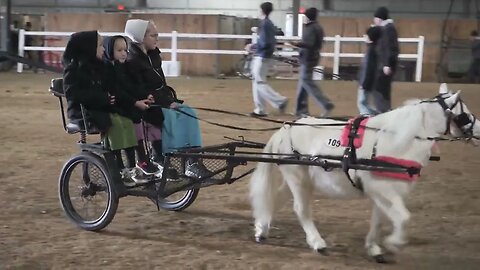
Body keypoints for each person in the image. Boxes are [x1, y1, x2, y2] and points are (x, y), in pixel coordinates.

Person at [124, 19, 210, 178]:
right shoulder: (133, 61)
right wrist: (166, 103)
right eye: (153, 35)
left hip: (161, 100)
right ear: (141, 37)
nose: (157, 38)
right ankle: (160, 156)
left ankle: (193, 161)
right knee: (170, 115)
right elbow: (142, 90)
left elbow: (161, 84)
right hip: (147, 105)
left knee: (189, 112)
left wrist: (170, 100)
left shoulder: (153, 55)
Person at [62, 31, 140, 187]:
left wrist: (110, 96)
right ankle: (118, 168)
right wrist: (103, 98)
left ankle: (131, 167)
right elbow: (74, 94)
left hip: (100, 108)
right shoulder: (74, 70)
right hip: (82, 113)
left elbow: (107, 87)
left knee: (126, 121)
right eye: (99, 46)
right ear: (88, 48)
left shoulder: (100, 67)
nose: (103, 49)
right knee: (115, 124)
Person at [103, 35, 156, 184]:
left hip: (124, 106)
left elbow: (130, 87)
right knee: (124, 126)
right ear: (109, 50)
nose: (124, 53)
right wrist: (135, 102)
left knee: (134, 121)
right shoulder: (107, 69)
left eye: (125, 50)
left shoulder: (121, 67)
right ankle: (122, 167)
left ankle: (134, 165)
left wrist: (144, 96)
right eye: (119, 50)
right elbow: (117, 92)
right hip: (114, 108)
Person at [289, 7, 334, 117]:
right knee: (302, 83)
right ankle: (301, 109)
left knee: (306, 81)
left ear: (307, 16)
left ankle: (325, 103)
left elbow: (309, 44)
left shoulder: (311, 28)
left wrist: (296, 44)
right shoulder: (317, 27)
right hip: (311, 57)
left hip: (308, 58)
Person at [246, 2, 288, 117]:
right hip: (265, 56)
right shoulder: (269, 24)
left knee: (259, 81)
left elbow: (264, 42)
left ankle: (279, 101)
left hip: (262, 56)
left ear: (262, 11)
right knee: (257, 81)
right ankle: (260, 109)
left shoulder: (264, 24)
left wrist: (252, 46)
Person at [372, 6, 399, 113]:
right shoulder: (385, 29)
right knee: (381, 90)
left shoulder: (388, 29)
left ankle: (383, 111)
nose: (374, 20)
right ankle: (383, 110)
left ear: (380, 18)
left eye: (375, 18)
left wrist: (387, 64)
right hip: (383, 65)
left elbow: (390, 48)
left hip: (385, 66)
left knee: (380, 90)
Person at [357, 26, 382, 116]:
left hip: (366, 83)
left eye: (366, 35)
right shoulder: (373, 50)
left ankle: (372, 118)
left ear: (371, 39)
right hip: (367, 82)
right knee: (364, 103)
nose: (364, 36)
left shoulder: (371, 51)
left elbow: (368, 69)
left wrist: (363, 83)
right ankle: (376, 116)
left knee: (362, 103)